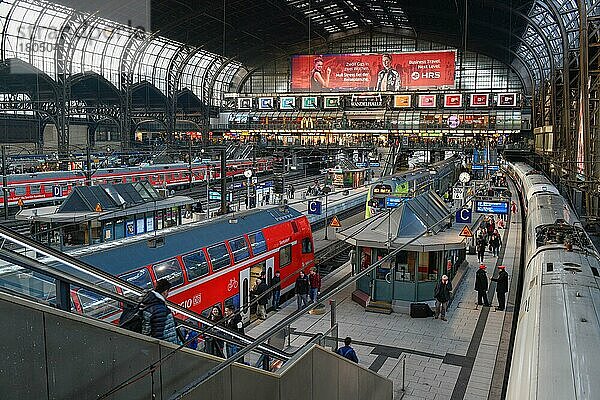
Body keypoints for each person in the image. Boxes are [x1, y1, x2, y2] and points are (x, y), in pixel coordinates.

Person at [141, 278, 180, 345]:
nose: (168, 294)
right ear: (165, 292)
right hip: (165, 347)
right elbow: (158, 333)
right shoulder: (160, 309)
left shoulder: (147, 302)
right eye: (168, 292)